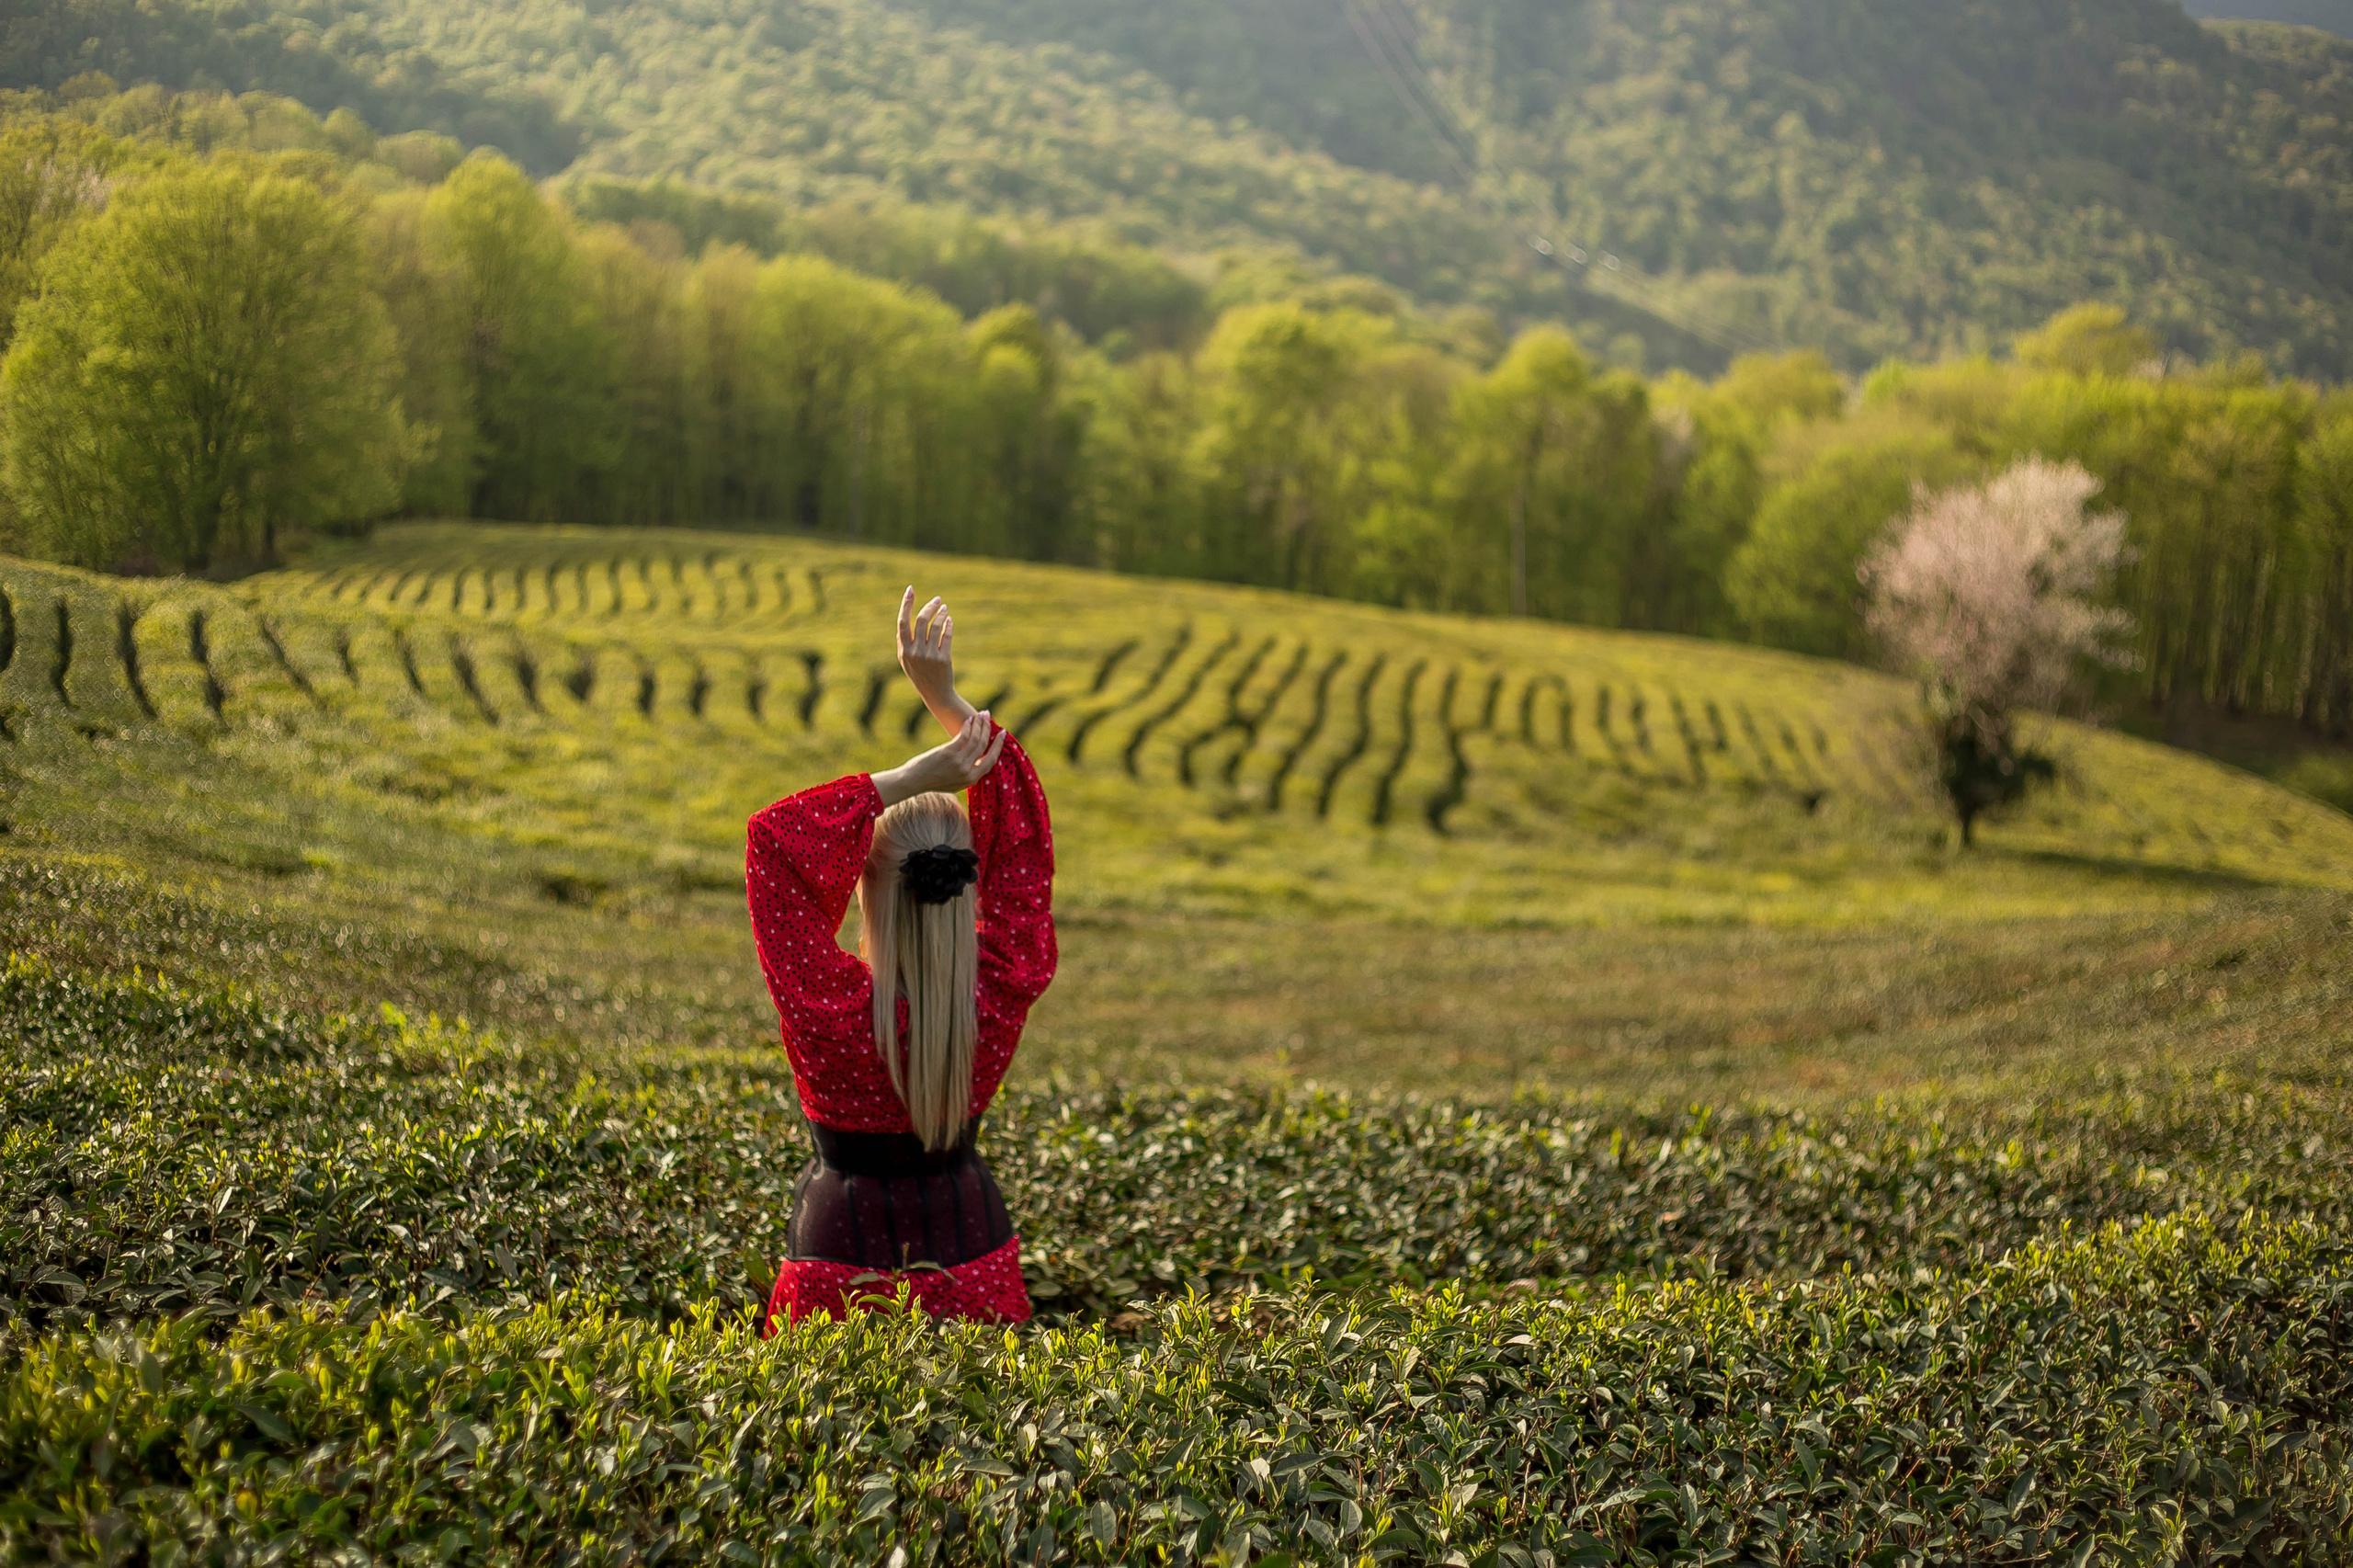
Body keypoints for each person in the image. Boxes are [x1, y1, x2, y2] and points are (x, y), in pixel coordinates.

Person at [745, 587, 1057, 1327]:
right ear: (967, 889)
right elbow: (1025, 852)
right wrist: (949, 702)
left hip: (836, 1264)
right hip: (974, 1253)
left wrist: (911, 777)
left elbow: (776, 842)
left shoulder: (831, 1009)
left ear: (866, 893)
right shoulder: (999, 992)